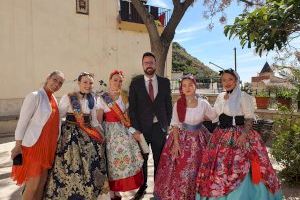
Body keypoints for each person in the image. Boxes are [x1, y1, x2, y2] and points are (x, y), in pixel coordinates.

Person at [195, 69, 282, 200]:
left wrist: (244, 135)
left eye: (230, 79)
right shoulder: (220, 96)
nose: (227, 82)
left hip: (240, 134)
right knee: (220, 168)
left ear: (236, 81)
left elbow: (249, 118)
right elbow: (214, 115)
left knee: (239, 166)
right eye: (224, 80)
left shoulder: (244, 96)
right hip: (220, 135)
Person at [44, 72, 110, 200]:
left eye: (90, 83)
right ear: (79, 83)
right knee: (69, 166)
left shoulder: (92, 98)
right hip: (70, 136)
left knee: (91, 164)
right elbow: (58, 117)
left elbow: (94, 121)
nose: (88, 85)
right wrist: (56, 136)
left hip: (87, 133)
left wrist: (101, 135)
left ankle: (89, 194)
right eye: (85, 82)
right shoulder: (68, 97)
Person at [154, 75, 217, 200]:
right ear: (181, 88)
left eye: (190, 85)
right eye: (184, 85)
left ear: (195, 86)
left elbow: (214, 117)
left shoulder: (203, 103)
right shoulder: (179, 103)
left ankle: (196, 194)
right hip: (181, 138)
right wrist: (176, 143)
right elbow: (175, 125)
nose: (187, 88)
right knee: (179, 167)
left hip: (200, 138)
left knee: (198, 168)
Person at [11, 70, 65, 200]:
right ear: (48, 78)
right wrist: (18, 145)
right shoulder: (35, 96)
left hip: (48, 148)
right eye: (54, 80)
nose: (56, 84)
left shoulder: (53, 99)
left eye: (60, 83)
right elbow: (22, 121)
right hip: (35, 146)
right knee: (33, 186)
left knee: (41, 185)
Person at [129, 52, 173, 199]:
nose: (149, 65)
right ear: (142, 65)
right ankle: (142, 187)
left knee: (159, 159)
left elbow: (168, 105)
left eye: (151, 62)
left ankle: (158, 189)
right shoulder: (135, 83)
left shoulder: (164, 82)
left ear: (155, 64)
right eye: (146, 63)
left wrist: (166, 125)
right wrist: (135, 129)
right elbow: (132, 109)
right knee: (143, 159)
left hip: (159, 128)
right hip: (142, 130)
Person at [97, 70, 144, 200]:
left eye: (120, 81)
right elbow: (99, 120)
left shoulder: (124, 97)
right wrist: (100, 135)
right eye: (115, 80)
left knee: (124, 160)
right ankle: (112, 192)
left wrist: (133, 131)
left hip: (123, 131)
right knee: (110, 162)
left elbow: (128, 118)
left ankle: (118, 190)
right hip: (109, 133)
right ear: (110, 81)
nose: (117, 83)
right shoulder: (102, 98)